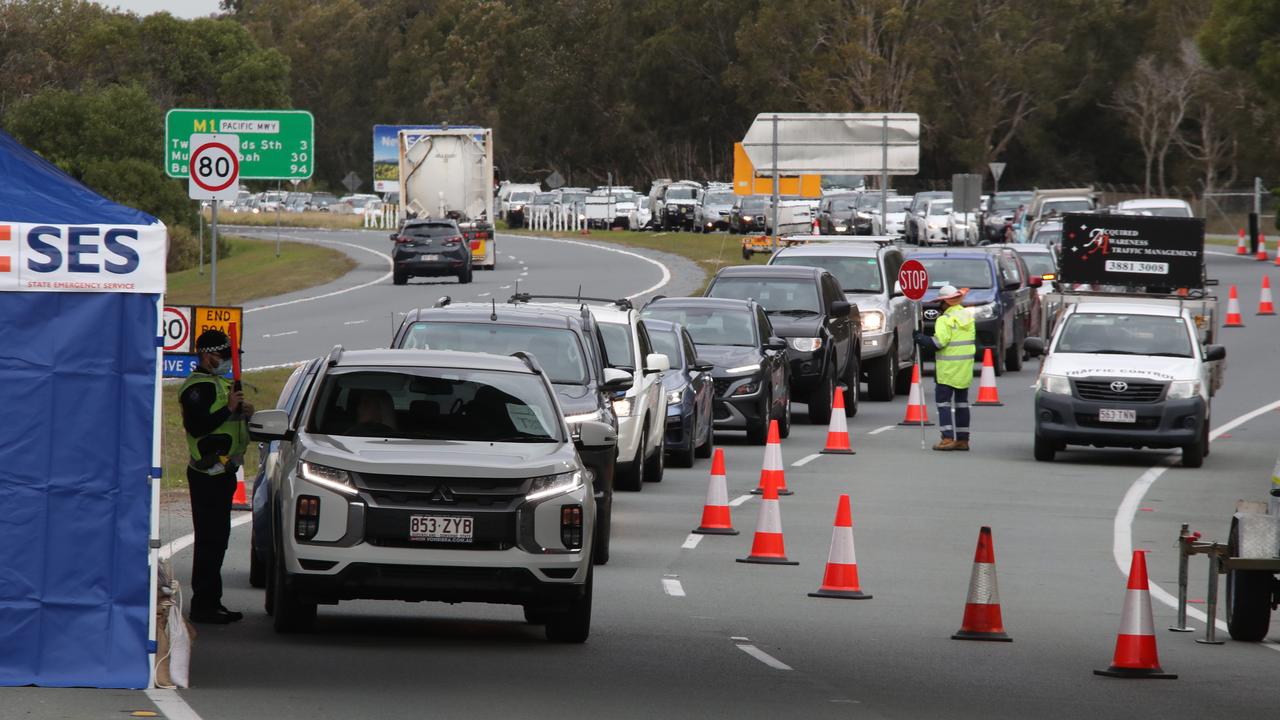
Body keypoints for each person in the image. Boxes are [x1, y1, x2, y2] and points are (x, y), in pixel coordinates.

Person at [179, 330, 253, 623]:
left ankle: (213, 600)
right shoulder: (198, 388)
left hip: (223, 473)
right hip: (207, 474)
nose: (226, 363)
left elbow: (229, 425)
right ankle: (203, 605)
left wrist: (244, 413)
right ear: (207, 355)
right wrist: (229, 409)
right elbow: (198, 426)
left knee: (218, 540)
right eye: (222, 357)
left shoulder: (219, 385)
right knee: (210, 541)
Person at [914, 285, 976, 451]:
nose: (939, 306)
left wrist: (922, 339)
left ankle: (947, 438)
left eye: (940, 303)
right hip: (964, 369)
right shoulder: (968, 317)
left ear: (945, 303)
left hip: (947, 370)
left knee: (943, 404)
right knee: (962, 404)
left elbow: (938, 343)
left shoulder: (944, 320)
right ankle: (963, 440)